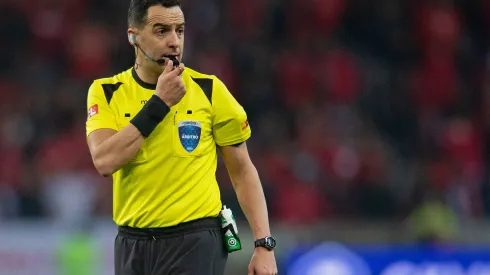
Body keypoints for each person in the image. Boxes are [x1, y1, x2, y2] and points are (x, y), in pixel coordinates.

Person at [85, 0, 278, 274]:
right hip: (132, 243)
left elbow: (243, 170)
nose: (174, 41)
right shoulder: (106, 92)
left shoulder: (209, 90)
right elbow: (104, 161)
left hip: (196, 238)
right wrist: (160, 103)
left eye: (180, 30)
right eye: (161, 31)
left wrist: (263, 244)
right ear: (133, 37)